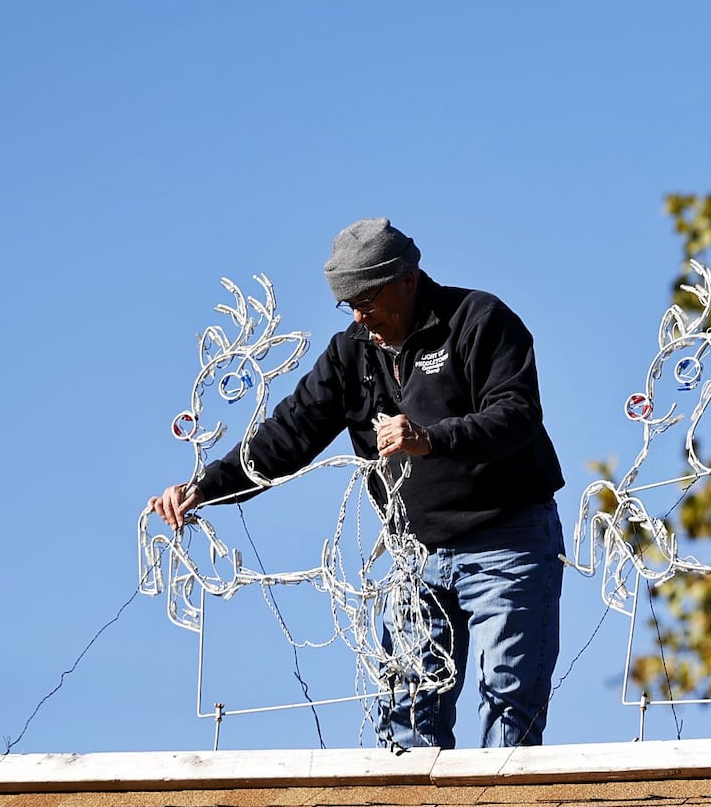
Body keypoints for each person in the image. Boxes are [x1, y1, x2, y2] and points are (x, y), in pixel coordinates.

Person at [151, 218, 566, 751]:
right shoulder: (351, 353)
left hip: (507, 541)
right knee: (408, 710)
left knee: (508, 697)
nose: (359, 316)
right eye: (348, 304)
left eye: (366, 300)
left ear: (407, 280)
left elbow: (517, 413)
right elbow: (288, 436)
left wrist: (431, 439)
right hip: (415, 554)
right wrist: (204, 487)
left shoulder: (479, 319)